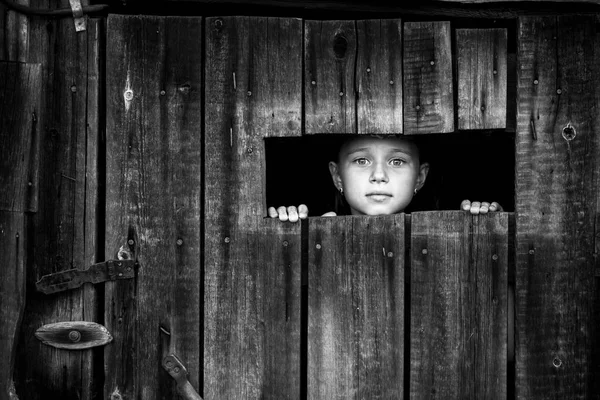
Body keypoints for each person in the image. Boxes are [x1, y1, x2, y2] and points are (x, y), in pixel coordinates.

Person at [268, 135, 502, 222]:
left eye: (397, 162)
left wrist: (486, 223)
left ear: (420, 177)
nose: (378, 176)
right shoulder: (318, 233)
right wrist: (290, 230)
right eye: (362, 161)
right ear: (337, 176)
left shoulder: (443, 237)